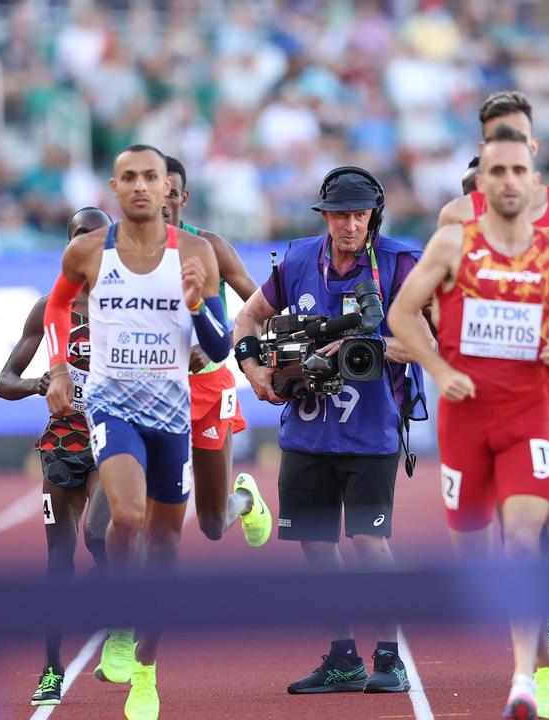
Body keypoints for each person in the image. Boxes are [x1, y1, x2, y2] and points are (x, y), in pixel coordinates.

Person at [391, 124, 549, 719]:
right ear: (482, 181)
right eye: (496, 171)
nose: (507, 181)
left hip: (528, 415)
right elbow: (401, 313)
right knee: (475, 553)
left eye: (517, 171)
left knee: (524, 538)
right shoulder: (452, 244)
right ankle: (531, 659)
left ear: (535, 181)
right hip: (464, 418)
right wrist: (438, 367)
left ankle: (524, 676)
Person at [43, 144, 232, 720]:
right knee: (125, 517)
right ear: (115, 187)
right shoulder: (87, 252)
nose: (142, 186)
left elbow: (221, 346)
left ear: (167, 188)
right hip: (111, 404)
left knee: (169, 544)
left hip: (171, 411)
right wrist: (56, 369)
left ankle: (146, 670)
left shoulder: (196, 251)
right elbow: (55, 309)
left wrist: (199, 307)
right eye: (130, 177)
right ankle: (122, 619)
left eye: (152, 177)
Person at [233, 165, 430, 696]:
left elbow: (426, 346)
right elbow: (247, 320)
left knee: (368, 542)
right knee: (317, 544)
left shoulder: (399, 264)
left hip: (372, 431)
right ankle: (343, 658)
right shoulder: (297, 260)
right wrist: (254, 373)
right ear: (325, 217)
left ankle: (389, 657)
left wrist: (363, 347)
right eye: (339, 215)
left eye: (358, 215)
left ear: (374, 216)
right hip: (305, 430)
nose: (349, 225)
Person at [437, 90, 549, 669]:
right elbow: (437, 301)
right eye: (495, 143)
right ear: (484, 151)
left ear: (532, 148)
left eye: (517, 140)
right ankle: (532, 648)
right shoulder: (457, 218)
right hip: (489, 389)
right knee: (509, 521)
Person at [0, 206, 115, 707]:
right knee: (58, 560)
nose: (88, 245)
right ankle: (51, 668)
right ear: (68, 246)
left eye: (98, 237)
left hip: (113, 438)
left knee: (101, 532)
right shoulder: (50, 307)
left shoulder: (129, 303)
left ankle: (115, 600)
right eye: (79, 237)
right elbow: (2, 382)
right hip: (64, 444)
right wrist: (37, 383)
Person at [162, 155, 271, 548]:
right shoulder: (126, 253)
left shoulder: (210, 246)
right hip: (153, 392)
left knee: (210, 523)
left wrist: (216, 345)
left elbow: (261, 308)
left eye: (171, 194)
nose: (163, 202)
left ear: (184, 197)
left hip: (207, 390)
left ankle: (244, 500)